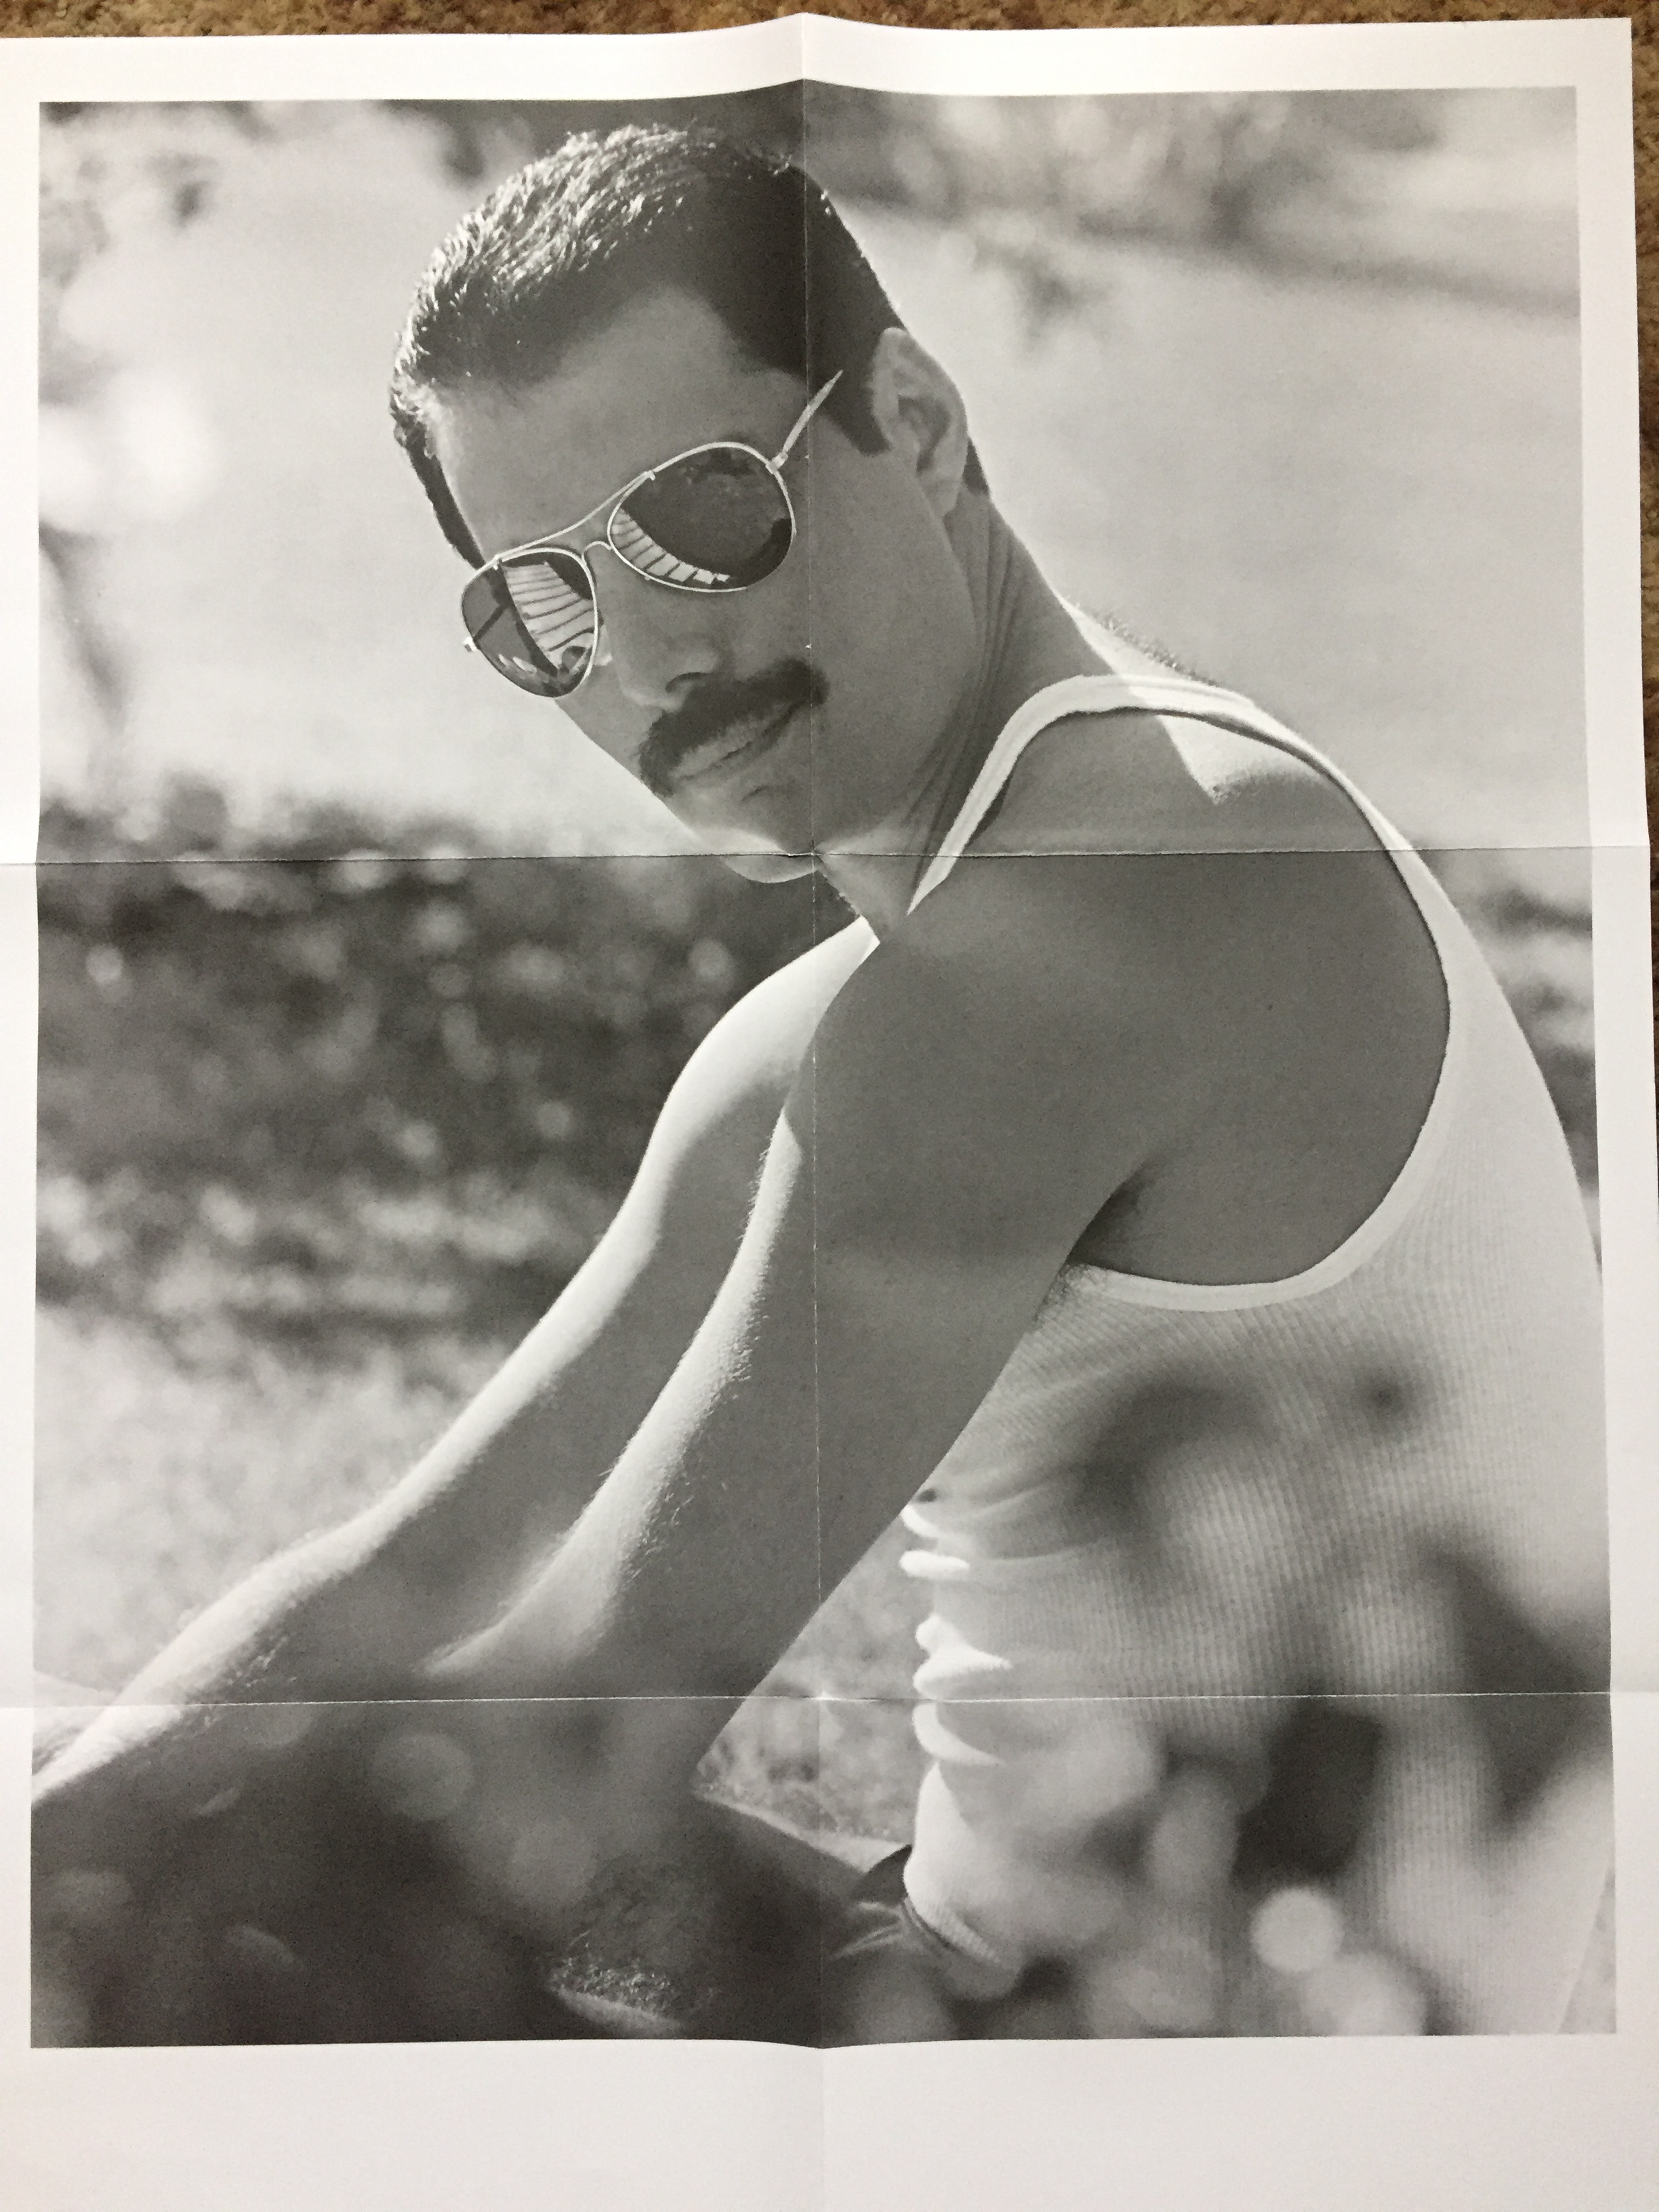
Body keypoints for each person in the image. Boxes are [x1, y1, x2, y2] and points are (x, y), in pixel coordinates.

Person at [34, 125, 1610, 2044]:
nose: (651, 654)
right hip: (1047, 1979)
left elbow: (571, 1742)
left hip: (1217, 2118)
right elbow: (419, 1568)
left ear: (923, 427)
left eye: (703, 515)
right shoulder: (907, 982)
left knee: (259, 1936)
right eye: (545, 605)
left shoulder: (1081, 936)